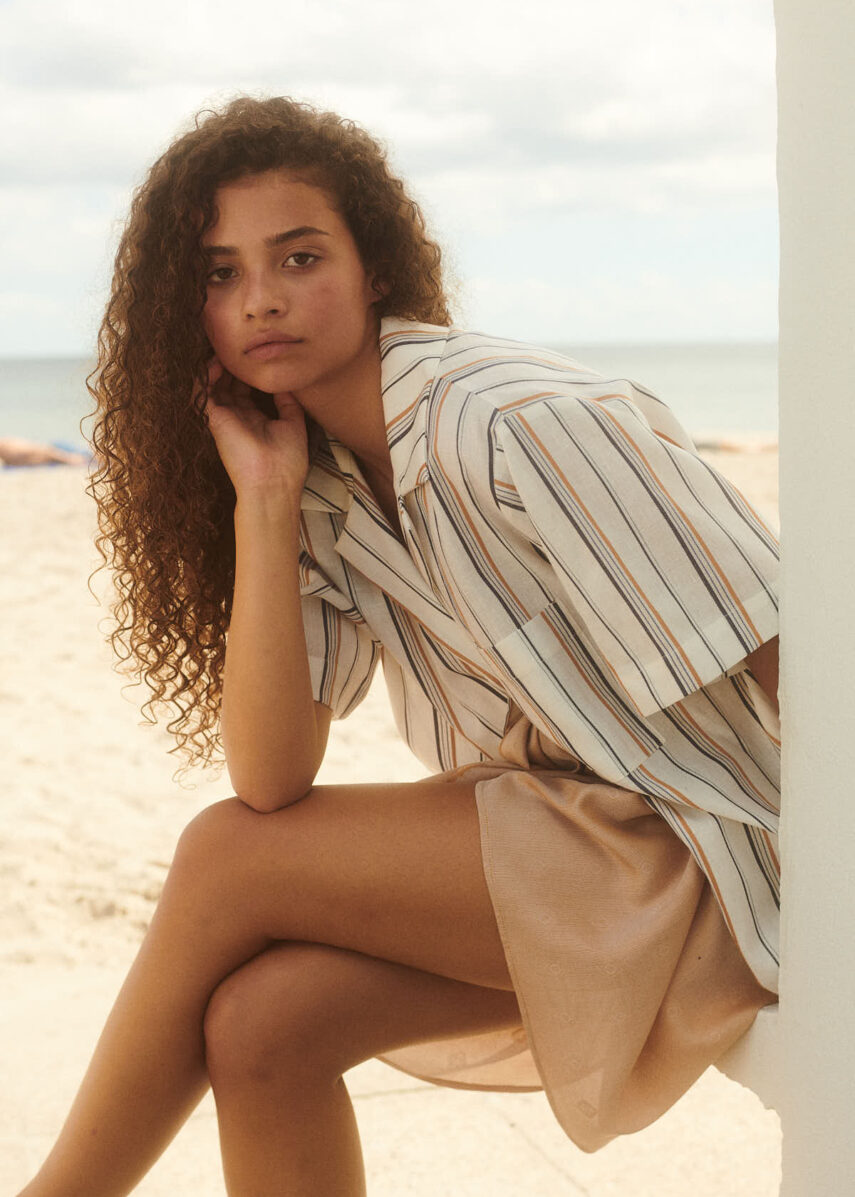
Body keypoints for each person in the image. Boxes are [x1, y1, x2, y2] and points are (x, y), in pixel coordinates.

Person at [17, 95, 781, 1196]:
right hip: (583, 862)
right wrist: (267, 506)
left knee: (225, 856)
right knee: (264, 1020)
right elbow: (271, 775)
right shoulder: (316, 476)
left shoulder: (513, 423)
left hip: (719, 856)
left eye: (297, 255)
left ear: (374, 266)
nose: (262, 299)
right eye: (221, 273)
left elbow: (785, 653)